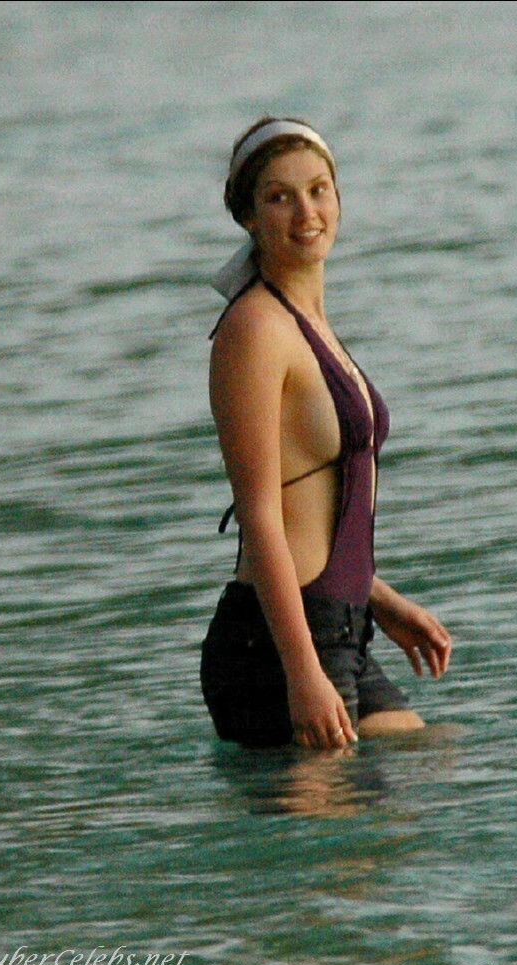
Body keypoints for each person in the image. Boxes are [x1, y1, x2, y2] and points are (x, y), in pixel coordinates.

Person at [200, 117, 451, 751]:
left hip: (341, 627)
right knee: (340, 816)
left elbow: (316, 507)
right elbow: (262, 516)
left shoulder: (306, 319)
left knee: (429, 761)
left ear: (339, 197)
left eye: (318, 190)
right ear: (248, 216)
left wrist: (380, 601)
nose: (306, 212)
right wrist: (303, 675)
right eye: (279, 196)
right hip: (279, 644)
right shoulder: (254, 330)